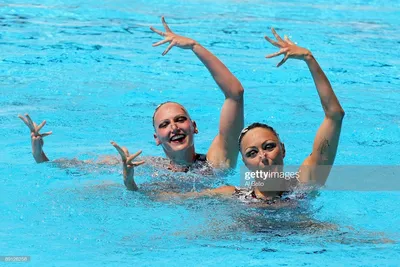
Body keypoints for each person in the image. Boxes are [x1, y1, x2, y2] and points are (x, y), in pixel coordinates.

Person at [19, 17, 244, 191]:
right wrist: (40, 155)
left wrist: (195, 46)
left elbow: (235, 93)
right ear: (156, 138)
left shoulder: (217, 163)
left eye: (180, 119)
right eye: (164, 124)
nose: (174, 127)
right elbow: (74, 169)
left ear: (194, 126)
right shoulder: (145, 166)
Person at [164, 28, 345, 204]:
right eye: (252, 153)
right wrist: (133, 183)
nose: (263, 157)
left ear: (283, 149)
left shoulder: (304, 185)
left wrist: (308, 58)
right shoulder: (234, 196)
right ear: (244, 162)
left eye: (269, 146)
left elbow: (335, 115)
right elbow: (170, 200)